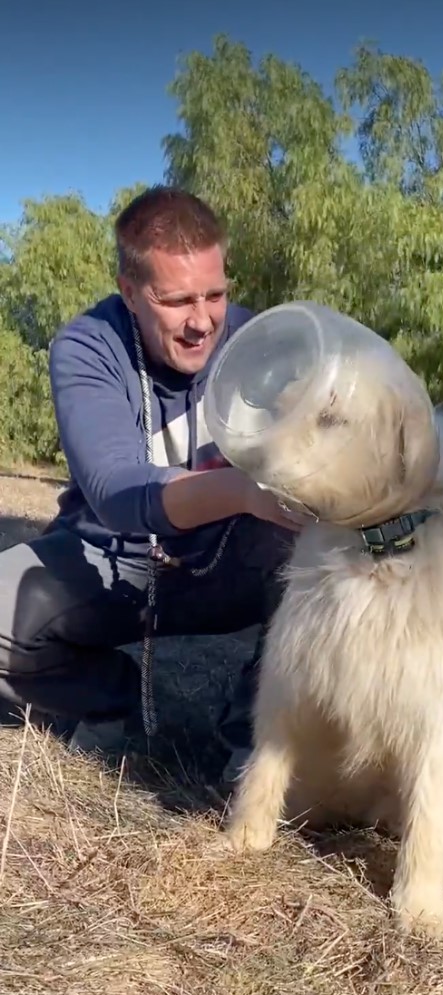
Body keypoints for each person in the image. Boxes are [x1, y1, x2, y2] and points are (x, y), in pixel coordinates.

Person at [0, 185, 305, 784]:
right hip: (109, 561)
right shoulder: (87, 345)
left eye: (216, 293)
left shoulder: (263, 345)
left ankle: (257, 733)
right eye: (175, 300)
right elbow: (116, 490)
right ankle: (107, 700)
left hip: (235, 561)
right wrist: (244, 492)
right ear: (130, 292)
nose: (202, 321)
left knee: (317, 546)